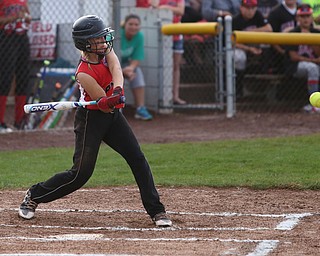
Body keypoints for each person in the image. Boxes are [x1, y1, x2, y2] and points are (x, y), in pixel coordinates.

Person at [18, 15, 172, 227]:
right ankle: (34, 195)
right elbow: (103, 103)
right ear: (85, 43)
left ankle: (157, 211)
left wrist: (118, 90)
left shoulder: (105, 51)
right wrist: (110, 100)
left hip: (112, 116)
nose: (104, 41)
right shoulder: (83, 73)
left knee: (137, 158)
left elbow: (116, 68)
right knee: (80, 174)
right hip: (91, 118)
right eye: (98, 39)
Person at [0, 0, 31, 133]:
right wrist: (13, 17)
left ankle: (20, 121)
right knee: (5, 79)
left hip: (22, 37)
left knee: (24, 78)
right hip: (6, 37)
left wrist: (26, 17)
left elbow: (28, 16)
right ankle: (0, 122)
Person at [232, 0, 272, 98]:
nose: (250, 11)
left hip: (255, 46)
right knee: (239, 58)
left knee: (267, 44)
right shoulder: (236, 20)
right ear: (241, 8)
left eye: (252, 8)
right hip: (241, 47)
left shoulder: (257, 15)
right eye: (247, 7)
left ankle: (265, 76)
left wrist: (252, 31)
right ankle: (238, 89)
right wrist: (249, 49)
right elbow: (232, 42)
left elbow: (269, 29)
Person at [285, 4, 320, 113]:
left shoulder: (316, 33)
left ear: (311, 18)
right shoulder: (293, 33)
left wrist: (310, 39)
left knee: (314, 68)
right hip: (295, 66)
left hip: (314, 63)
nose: (305, 19)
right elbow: (293, 57)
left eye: (308, 16)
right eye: (302, 16)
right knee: (313, 68)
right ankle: (314, 105)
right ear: (297, 18)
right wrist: (314, 61)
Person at [153, 0, 186, 105]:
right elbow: (153, 6)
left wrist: (165, 7)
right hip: (161, 34)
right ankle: (161, 97)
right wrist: (168, 8)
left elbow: (180, 11)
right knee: (161, 64)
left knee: (176, 66)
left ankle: (175, 96)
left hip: (176, 33)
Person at [121, 14, 153, 121]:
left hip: (125, 65)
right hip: (110, 65)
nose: (133, 27)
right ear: (124, 25)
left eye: (136, 25)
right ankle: (114, 109)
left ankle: (140, 108)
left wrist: (130, 69)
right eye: (130, 24)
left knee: (137, 74)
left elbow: (137, 57)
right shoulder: (117, 34)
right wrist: (120, 71)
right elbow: (108, 58)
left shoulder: (139, 36)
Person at [267, 0, 298, 74]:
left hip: (303, 50)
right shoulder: (275, 12)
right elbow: (271, 38)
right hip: (282, 54)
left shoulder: (303, 10)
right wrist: (282, 52)